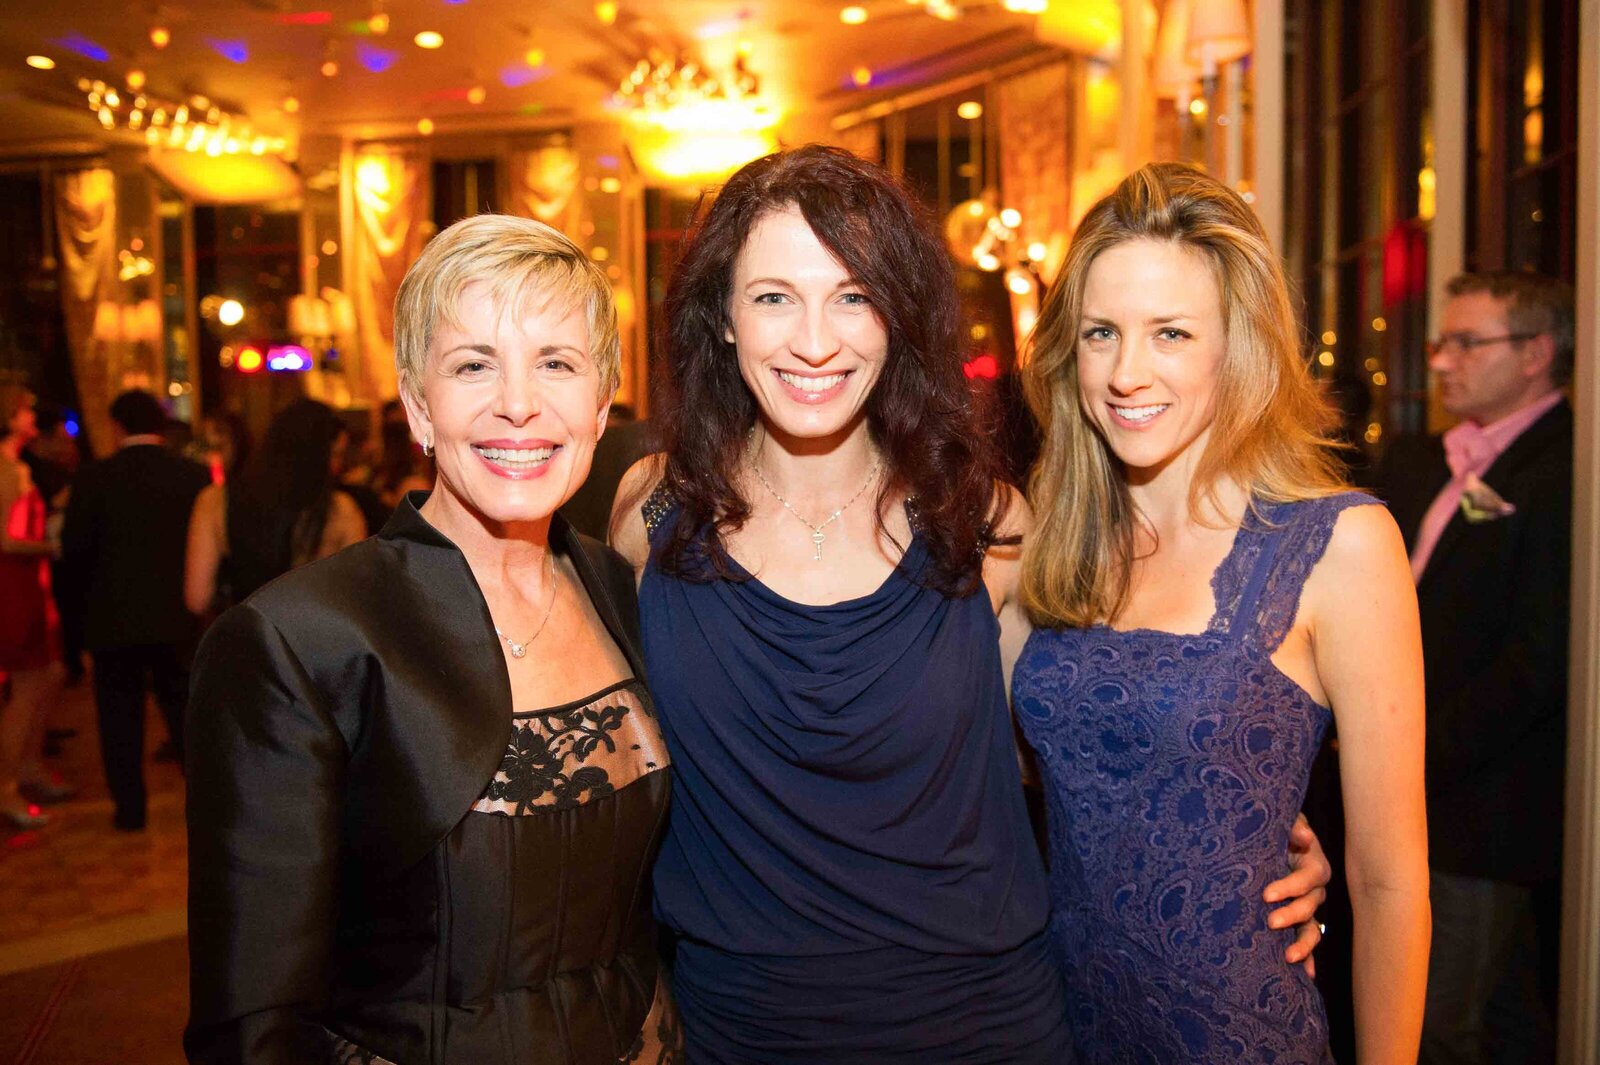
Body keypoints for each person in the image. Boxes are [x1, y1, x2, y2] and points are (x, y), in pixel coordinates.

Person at [610, 145, 1330, 1063]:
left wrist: (1253, 830)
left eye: (855, 296)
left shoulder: (986, 525)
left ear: (899, 316)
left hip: (982, 1027)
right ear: (720, 317)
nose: (816, 340)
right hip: (740, 1030)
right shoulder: (650, 513)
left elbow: (1105, 734)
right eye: (774, 297)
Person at [184, 214, 677, 1064]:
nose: (518, 403)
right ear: (418, 405)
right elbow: (254, 1026)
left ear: (602, 405)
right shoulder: (299, 641)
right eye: (473, 364)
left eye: (555, 363)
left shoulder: (630, 592)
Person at [1013, 163, 1430, 1063]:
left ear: (1235, 345)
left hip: (1237, 1034)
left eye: (1171, 332)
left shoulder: (1339, 545)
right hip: (1057, 1023)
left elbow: (1391, 881)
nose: (1128, 371)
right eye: (1101, 333)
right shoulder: (1043, 542)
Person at [1379, 271, 1574, 1064]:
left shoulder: (1567, 469)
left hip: (1481, 805)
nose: (1443, 361)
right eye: (1440, 342)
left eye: (1467, 341)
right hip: (1420, 795)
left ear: (1536, 353)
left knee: (1433, 1026)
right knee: (1501, 1021)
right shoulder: (1426, 459)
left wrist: (1410, 756)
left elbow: (1538, 660)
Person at [60, 390, 210, 831]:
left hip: (112, 618)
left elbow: (75, 554)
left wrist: (76, 623)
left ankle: (130, 811)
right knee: (186, 714)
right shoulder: (193, 475)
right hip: (177, 616)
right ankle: (204, 806)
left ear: (116, 426)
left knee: (118, 718)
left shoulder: (93, 478)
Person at [183, 398, 367, 616]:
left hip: (248, 639)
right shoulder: (341, 510)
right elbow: (359, 600)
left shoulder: (214, 500)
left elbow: (197, 598)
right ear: (317, 455)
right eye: (335, 454)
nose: (338, 466)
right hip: (313, 642)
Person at [0, 383, 66, 828]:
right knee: (27, 682)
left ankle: (27, 769)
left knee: (48, 675)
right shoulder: (5, 470)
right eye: (24, 409)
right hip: (12, 581)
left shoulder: (16, 466)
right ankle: (7, 786)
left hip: (26, 581)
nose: (32, 416)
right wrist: (50, 546)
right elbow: (4, 538)